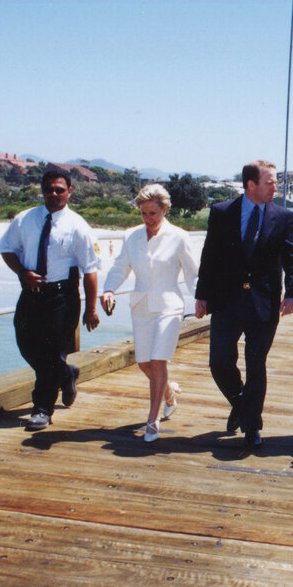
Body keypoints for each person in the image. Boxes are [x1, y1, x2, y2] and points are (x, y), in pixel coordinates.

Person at [194, 160, 293, 448]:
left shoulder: (282, 217)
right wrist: (201, 295)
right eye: (270, 182)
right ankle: (241, 402)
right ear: (251, 185)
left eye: (275, 182)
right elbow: (210, 256)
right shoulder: (221, 212)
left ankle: (252, 425)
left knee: (257, 365)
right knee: (219, 362)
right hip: (226, 301)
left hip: (263, 305)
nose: (275, 187)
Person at [0, 168, 101, 430]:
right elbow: (7, 249)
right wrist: (22, 273)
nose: (53, 194)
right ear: (42, 189)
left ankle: (42, 409)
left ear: (69, 191)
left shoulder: (78, 226)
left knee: (53, 353)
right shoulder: (25, 219)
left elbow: (90, 270)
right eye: (49, 189)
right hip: (31, 293)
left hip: (61, 297)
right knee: (27, 345)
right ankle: (66, 373)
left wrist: (91, 309)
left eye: (59, 189)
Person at [101, 184, 199, 442]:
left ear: (165, 209)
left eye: (153, 213)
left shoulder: (179, 237)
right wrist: (109, 289)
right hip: (141, 306)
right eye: (143, 213)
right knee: (144, 363)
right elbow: (120, 267)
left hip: (169, 305)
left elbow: (192, 273)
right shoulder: (131, 236)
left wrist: (200, 298)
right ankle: (168, 393)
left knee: (158, 360)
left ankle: (152, 419)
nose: (148, 219)